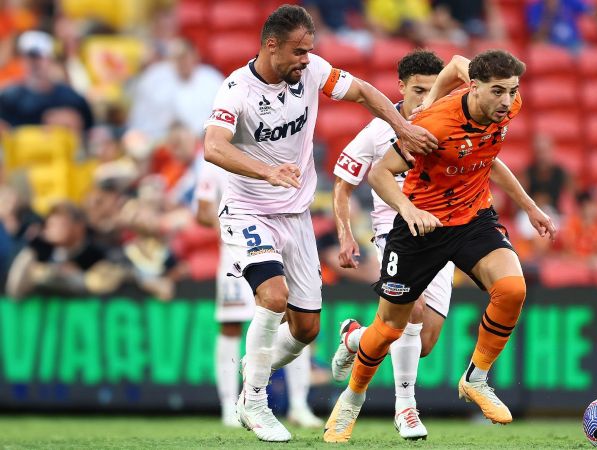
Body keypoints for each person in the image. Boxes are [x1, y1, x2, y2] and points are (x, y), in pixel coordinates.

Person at [202, 5, 437, 442]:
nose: (306, 59)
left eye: (310, 50)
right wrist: (265, 170)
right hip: (249, 210)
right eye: (298, 52)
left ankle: (253, 372)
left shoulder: (312, 72)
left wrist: (402, 126)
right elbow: (213, 147)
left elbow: (365, 93)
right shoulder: (236, 89)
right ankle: (256, 402)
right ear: (271, 46)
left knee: (306, 329)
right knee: (273, 297)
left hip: (297, 215)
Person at [323, 50, 556, 443]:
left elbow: (487, 149)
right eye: (497, 91)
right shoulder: (430, 127)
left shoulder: (507, 105)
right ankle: (351, 401)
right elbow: (380, 174)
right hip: (419, 227)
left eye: (511, 91)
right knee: (391, 327)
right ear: (476, 89)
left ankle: (477, 379)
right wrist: (408, 209)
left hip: (471, 218)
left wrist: (530, 207)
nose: (506, 101)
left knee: (512, 289)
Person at [330, 49, 468, 440]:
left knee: (422, 342)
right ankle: (405, 407)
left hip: (442, 234)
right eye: (418, 91)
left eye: (432, 92)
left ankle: (354, 336)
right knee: (413, 311)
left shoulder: (448, 123)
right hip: (394, 233)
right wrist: (345, 232)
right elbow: (343, 182)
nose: (425, 101)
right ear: (401, 87)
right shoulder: (378, 131)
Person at [194, 159, 322, 429]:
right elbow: (202, 211)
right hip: (235, 253)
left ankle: (299, 404)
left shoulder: (273, 151)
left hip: (273, 249)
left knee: (291, 319)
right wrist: (234, 224)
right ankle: (229, 406)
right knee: (231, 326)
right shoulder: (217, 161)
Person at [128, 39, 224, 141]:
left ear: (195, 56)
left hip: (202, 143)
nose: (183, 62)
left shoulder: (212, 79)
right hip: (158, 140)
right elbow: (140, 117)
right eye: (177, 57)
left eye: (185, 56)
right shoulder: (154, 78)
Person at [0, 30, 93, 132]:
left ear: (50, 60)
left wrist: (76, 122)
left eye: (38, 58)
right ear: (21, 60)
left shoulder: (71, 98)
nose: (34, 63)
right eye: (29, 57)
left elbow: (89, 130)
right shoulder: (8, 97)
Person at [526, 0, 597, 55]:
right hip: (552, 48)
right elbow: (537, 39)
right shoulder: (535, 8)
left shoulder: (569, 2)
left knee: (593, 56)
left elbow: (595, 12)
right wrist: (549, 12)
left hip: (574, 45)